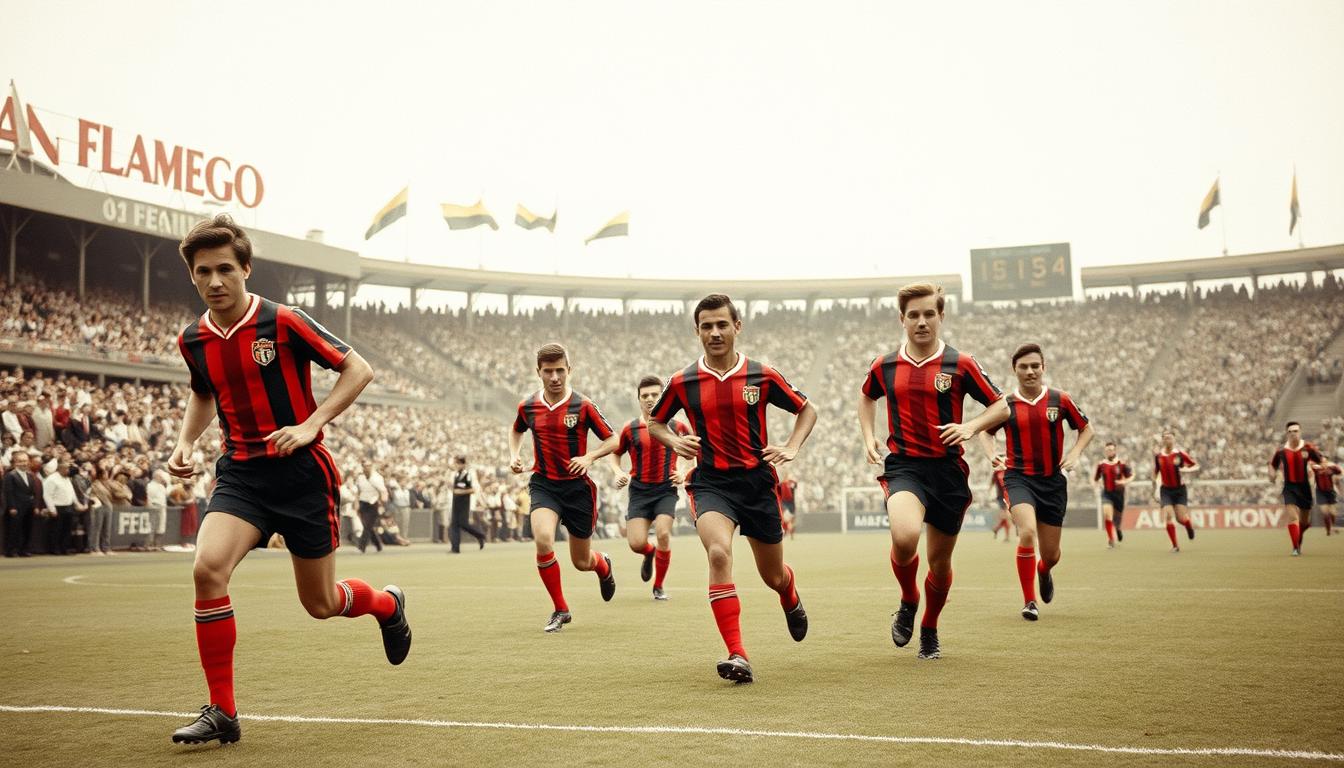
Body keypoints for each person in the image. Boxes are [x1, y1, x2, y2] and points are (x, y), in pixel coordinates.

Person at [166, 214, 410, 746]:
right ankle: (223, 712)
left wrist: (311, 424)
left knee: (320, 605)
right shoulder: (193, 340)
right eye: (203, 272)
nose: (215, 281)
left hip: (303, 476)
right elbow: (204, 393)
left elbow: (358, 369)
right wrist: (186, 442)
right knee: (207, 571)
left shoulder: (284, 321)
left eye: (225, 269)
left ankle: (388, 605)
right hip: (241, 476)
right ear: (192, 276)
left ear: (246, 268)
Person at [650, 294, 817, 684]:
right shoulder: (682, 381)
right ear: (697, 331)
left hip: (757, 485)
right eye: (706, 326)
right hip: (711, 484)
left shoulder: (761, 375)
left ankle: (788, 593)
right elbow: (656, 423)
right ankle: (737, 654)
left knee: (772, 575)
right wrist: (675, 443)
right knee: (719, 553)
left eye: (722, 324)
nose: (715, 332)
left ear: (737, 327)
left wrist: (792, 447)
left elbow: (807, 409)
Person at [860, 282, 1001, 660]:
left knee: (940, 564)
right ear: (901, 320)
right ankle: (909, 600)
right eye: (913, 315)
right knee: (904, 538)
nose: (921, 322)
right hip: (904, 466)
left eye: (928, 314)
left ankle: (930, 628)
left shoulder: (961, 363)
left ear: (941, 316)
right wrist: (868, 436)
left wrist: (970, 426)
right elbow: (866, 395)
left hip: (948, 473)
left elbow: (1001, 406)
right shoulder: (885, 365)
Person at [961, 344, 1093, 621]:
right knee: (1027, 532)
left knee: (1052, 554)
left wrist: (1074, 453)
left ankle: (1044, 570)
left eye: (1035, 366)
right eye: (1024, 367)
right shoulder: (1005, 404)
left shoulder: (1060, 399)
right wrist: (991, 455)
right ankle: (1029, 601)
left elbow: (1086, 429)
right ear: (1015, 370)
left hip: (1053, 482)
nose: (1030, 371)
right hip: (1018, 478)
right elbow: (985, 432)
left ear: (1043, 368)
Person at [508, 343, 620, 633]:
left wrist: (590, 456)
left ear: (569, 370)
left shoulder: (583, 405)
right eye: (548, 371)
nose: (555, 377)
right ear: (539, 372)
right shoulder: (528, 406)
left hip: (577, 489)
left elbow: (613, 440)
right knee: (543, 539)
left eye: (560, 370)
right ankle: (561, 609)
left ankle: (603, 565)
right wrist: (514, 455)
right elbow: (517, 429)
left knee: (581, 561)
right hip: (544, 484)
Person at [609, 375, 694, 601]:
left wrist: (684, 471)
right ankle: (649, 552)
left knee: (663, 533)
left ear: (662, 396)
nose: (650, 399)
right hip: (639, 491)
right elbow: (615, 456)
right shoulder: (630, 428)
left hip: (665, 489)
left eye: (655, 395)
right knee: (636, 543)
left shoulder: (677, 426)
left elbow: (693, 452)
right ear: (638, 399)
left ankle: (658, 586)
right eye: (644, 395)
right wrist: (618, 473)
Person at [1269, 421, 1323, 556]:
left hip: (1305, 488)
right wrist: (1271, 473)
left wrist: (1316, 469)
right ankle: (1295, 548)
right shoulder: (1281, 451)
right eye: (1290, 431)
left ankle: (1298, 539)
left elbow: (1320, 461)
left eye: (1296, 431)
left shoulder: (1308, 448)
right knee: (1293, 517)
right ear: (1287, 434)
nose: (1293, 434)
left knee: (1305, 522)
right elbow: (1272, 464)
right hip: (1289, 487)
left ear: (1300, 432)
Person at [1152, 431, 1199, 552]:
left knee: (1181, 519)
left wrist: (1186, 470)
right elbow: (1155, 472)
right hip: (1165, 490)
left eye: (1170, 438)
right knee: (1168, 516)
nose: (1168, 440)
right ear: (1162, 440)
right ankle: (1175, 546)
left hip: (1179, 490)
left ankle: (1188, 526)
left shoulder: (1180, 454)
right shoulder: (1158, 456)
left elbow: (1195, 465)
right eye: (1165, 438)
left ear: (1174, 440)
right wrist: (1154, 488)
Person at [1092, 441, 1134, 548]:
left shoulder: (1122, 463)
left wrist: (1124, 482)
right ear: (1105, 452)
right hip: (1107, 493)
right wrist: (1096, 485)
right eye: (1107, 450)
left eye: (1111, 449)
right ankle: (1111, 539)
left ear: (1115, 450)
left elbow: (1131, 476)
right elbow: (1096, 478)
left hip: (1119, 494)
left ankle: (1118, 529)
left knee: (1117, 518)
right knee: (1107, 515)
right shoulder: (1101, 464)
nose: (1109, 452)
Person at [4, 450, 42, 557]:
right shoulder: (10, 475)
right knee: (14, 530)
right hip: (16, 507)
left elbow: (33, 493)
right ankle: (11, 550)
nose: (23, 463)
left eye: (25, 461)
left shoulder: (30, 475)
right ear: (15, 462)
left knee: (27, 529)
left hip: (29, 506)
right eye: (20, 461)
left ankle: (24, 549)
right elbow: (9, 492)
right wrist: (11, 507)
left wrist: (35, 506)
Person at [448, 455, 487, 553]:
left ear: (463, 464)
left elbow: (473, 489)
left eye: (457, 463)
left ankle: (480, 535)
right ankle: (455, 548)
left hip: (464, 501)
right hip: (455, 501)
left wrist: (459, 492)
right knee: (454, 524)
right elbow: (452, 488)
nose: (456, 465)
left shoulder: (469, 474)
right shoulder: (455, 474)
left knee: (463, 523)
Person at [1312, 457, 1341, 535]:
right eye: (1322, 462)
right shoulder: (1317, 469)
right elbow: (1313, 467)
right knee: (1325, 512)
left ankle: (1333, 527)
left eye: (1325, 462)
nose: (1323, 464)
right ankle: (1328, 531)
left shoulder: (1331, 469)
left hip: (1331, 492)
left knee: (1333, 513)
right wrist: (1324, 467)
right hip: (1320, 492)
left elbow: (1339, 471)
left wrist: (1333, 466)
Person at [988, 466, 1012, 542]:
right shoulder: (996, 473)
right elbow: (992, 483)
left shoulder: (1008, 471)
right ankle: (1006, 537)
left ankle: (996, 529)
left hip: (1009, 496)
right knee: (1006, 517)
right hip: (1001, 497)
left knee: (1006, 518)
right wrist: (989, 491)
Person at [779, 472, 799, 539]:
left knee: (788, 520)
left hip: (786, 504)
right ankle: (790, 534)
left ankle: (787, 533)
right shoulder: (791, 483)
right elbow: (796, 485)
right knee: (790, 520)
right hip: (791, 504)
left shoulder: (782, 484)